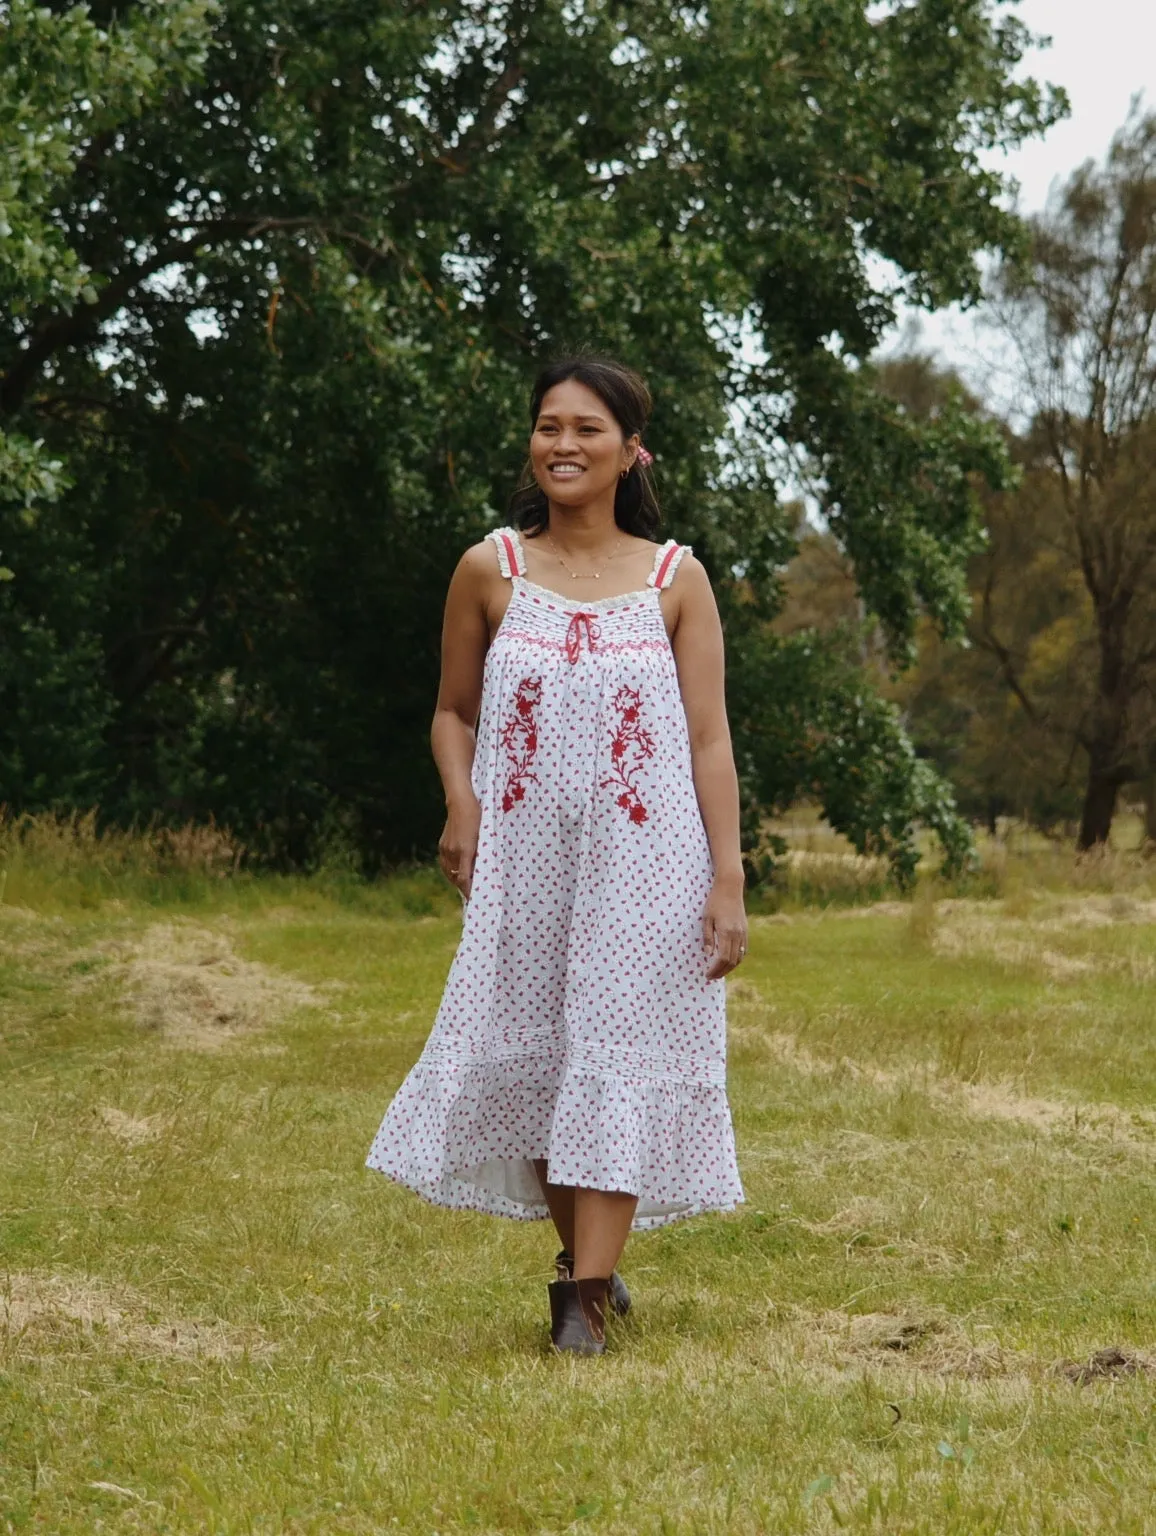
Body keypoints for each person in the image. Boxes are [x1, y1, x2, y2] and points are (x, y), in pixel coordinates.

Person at [366, 355, 746, 1355]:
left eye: (586, 429)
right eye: (547, 426)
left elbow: (709, 741)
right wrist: (460, 801)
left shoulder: (676, 578)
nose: (562, 445)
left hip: (647, 864)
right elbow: (452, 713)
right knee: (538, 1056)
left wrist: (727, 875)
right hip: (522, 862)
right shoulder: (489, 569)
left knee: (614, 1049)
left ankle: (577, 1309)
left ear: (630, 451)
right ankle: (592, 1270)